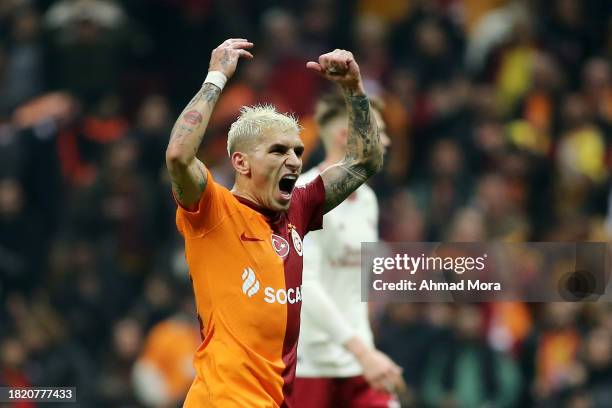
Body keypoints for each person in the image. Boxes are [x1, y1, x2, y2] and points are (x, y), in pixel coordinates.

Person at [165, 38, 384, 407]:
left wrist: (353, 89)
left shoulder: (298, 208)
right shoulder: (213, 210)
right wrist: (216, 77)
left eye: (297, 151)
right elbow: (178, 154)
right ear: (241, 162)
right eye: (278, 151)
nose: (295, 160)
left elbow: (365, 162)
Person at [294, 93, 404, 408]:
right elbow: (305, 286)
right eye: (378, 132)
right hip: (311, 365)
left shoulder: (368, 199)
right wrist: (363, 351)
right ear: (346, 136)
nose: (386, 141)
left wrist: (365, 347)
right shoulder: (304, 195)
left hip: (359, 363)